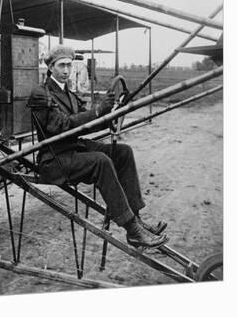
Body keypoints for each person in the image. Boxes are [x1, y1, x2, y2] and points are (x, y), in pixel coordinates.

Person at [27, 45, 168, 249]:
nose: (66, 70)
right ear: (50, 67)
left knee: (122, 152)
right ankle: (132, 230)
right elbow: (62, 126)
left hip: (74, 149)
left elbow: (89, 123)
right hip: (55, 159)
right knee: (100, 161)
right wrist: (97, 112)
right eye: (61, 65)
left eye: (69, 65)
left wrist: (110, 113)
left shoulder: (70, 94)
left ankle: (136, 218)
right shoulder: (41, 93)